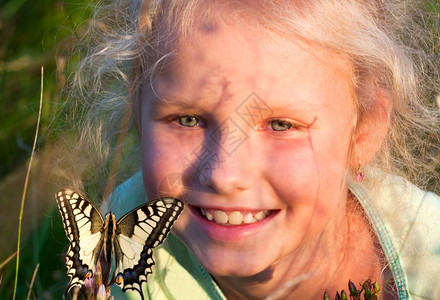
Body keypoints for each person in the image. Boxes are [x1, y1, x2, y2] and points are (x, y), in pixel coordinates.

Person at [62, 0, 440, 299]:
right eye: (188, 120)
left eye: (281, 125)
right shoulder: (127, 251)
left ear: (365, 129)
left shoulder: (430, 256)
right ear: (138, 112)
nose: (225, 176)